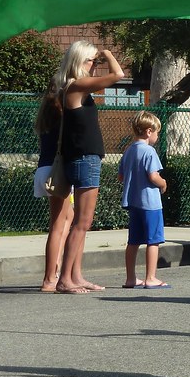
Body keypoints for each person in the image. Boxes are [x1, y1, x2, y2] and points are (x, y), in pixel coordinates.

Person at [54, 41, 125, 294]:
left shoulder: (77, 88)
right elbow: (118, 75)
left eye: (96, 61)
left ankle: (76, 275)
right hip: (84, 158)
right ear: (79, 61)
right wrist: (107, 53)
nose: (95, 65)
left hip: (87, 158)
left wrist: (99, 57)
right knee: (82, 222)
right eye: (91, 60)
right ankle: (65, 279)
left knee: (83, 223)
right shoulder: (76, 85)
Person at [118, 111, 169, 289]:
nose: (157, 136)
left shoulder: (129, 151)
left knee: (133, 241)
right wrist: (163, 184)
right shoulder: (149, 152)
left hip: (133, 202)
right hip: (151, 203)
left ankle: (130, 278)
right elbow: (153, 176)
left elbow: (121, 176)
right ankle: (151, 277)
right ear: (149, 131)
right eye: (156, 132)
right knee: (153, 240)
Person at [33, 90, 75, 293]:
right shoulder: (62, 121)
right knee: (58, 225)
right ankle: (49, 278)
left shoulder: (44, 122)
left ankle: (55, 269)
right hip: (56, 172)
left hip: (44, 169)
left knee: (67, 218)